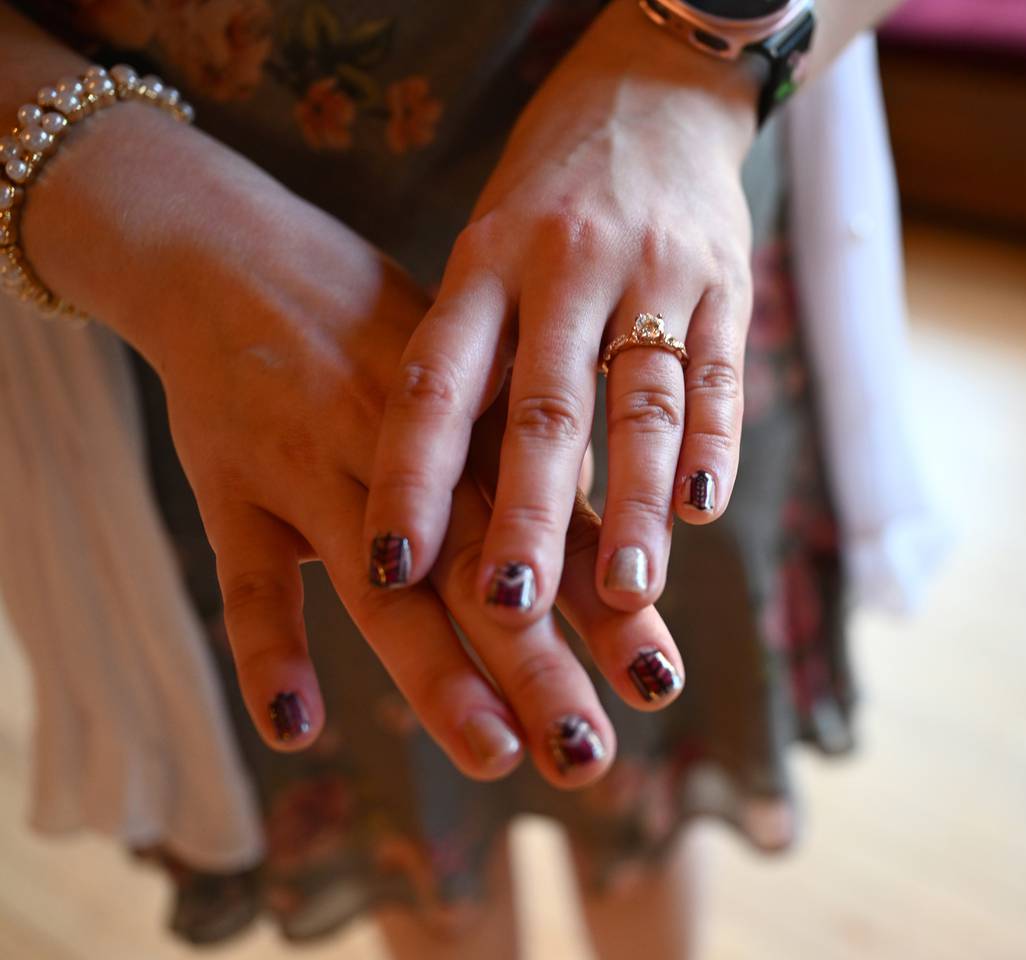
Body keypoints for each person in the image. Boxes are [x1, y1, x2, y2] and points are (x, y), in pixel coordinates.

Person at [0, 0, 913, 956]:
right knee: (418, 782)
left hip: (657, 205)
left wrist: (691, 69)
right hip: (216, 308)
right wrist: (135, 206)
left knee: (640, 697)